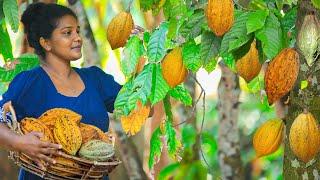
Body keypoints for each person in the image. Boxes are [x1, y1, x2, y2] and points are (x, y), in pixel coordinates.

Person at [0, 2, 122, 180]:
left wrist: (145, 53)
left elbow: (144, 109)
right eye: (67, 33)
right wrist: (20, 143)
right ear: (46, 43)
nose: (78, 37)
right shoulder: (30, 82)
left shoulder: (96, 79)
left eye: (78, 31)